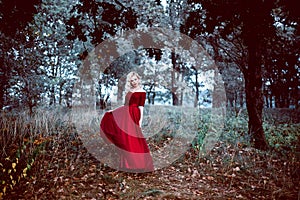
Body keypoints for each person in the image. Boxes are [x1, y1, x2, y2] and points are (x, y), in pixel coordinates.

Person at [100, 71, 154, 173]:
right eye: (131, 80)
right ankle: (127, 165)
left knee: (133, 138)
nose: (134, 82)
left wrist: (140, 122)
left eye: (135, 79)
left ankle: (139, 165)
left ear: (139, 79)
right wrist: (113, 112)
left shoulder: (142, 91)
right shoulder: (129, 91)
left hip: (134, 115)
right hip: (125, 114)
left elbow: (141, 107)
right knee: (125, 137)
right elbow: (125, 105)